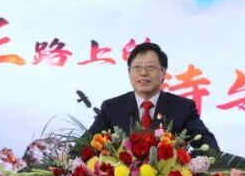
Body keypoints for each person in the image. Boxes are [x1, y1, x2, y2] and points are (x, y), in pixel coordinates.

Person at [86, 42, 219, 152]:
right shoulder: (112, 108)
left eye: (150, 67)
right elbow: (85, 146)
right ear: (129, 72)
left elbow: (209, 147)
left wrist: (190, 165)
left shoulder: (182, 107)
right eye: (137, 67)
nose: (143, 73)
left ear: (163, 72)